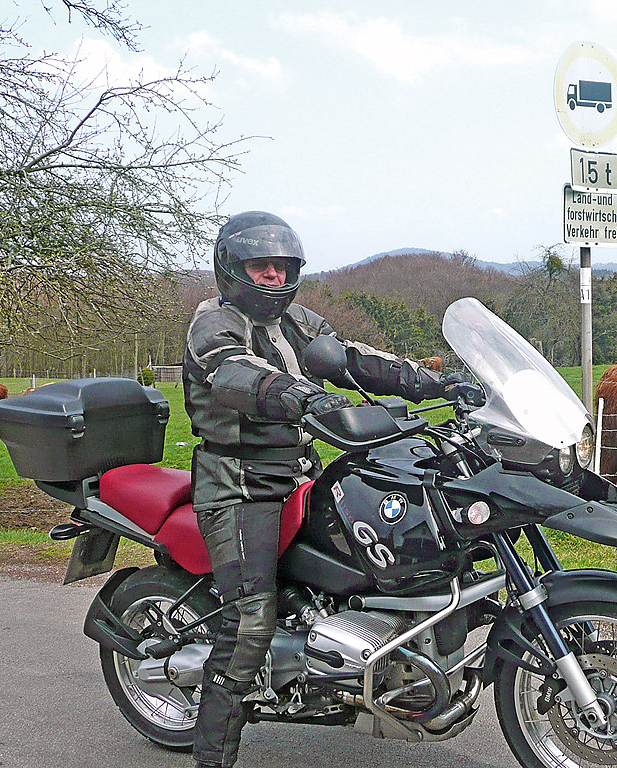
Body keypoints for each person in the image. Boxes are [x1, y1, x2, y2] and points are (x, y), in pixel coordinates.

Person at [183, 211, 477, 768]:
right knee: (248, 619)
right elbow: (236, 374)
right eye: (260, 266)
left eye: (282, 268)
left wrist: (435, 381)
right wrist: (304, 397)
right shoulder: (214, 324)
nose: (272, 277)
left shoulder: (295, 321)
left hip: (299, 475)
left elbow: (352, 359)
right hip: (240, 487)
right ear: (231, 267)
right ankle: (213, 757)